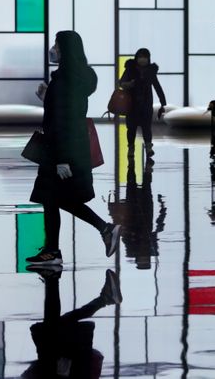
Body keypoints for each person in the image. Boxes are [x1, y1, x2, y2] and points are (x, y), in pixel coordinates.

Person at [26, 31, 121, 266]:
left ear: (65, 49)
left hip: (61, 148)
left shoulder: (66, 79)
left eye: (57, 45)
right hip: (68, 146)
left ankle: (99, 231)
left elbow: (63, 118)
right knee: (54, 198)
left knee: (54, 197)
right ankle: (54, 249)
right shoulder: (75, 78)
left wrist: (61, 159)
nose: (53, 49)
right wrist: (47, 96)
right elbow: (66, 110)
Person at [22, 267, 121, 379]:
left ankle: (105, 298)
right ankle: (51, 277)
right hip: (66, 366)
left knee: (53, 325)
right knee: (52, 326)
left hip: (63, 364)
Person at [108, 160, 166, 270]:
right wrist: (162, 209)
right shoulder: (151, 246)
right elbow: (159, 227)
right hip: (146, 213)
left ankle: (132, 163)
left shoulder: (130, 244)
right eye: (145, 258)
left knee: (131, 184)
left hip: (133, 212)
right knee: (145, 186)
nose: (144, 255)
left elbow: (123, 230)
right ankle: (146, 167)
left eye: (142, 258)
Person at [119, 48, 167, 158]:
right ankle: (131, 148)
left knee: (146, 127)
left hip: (146, 103)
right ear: (137, 57)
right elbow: (122, 83)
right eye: (140, 57)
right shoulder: (130, 68)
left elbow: (157, 86)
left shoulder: (151, 71)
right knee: (131, 128)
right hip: (132, 103)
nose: (143, 59)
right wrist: (130, 84)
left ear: (148, 59)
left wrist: (163, 102)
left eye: (145, 57)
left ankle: (148, 148)